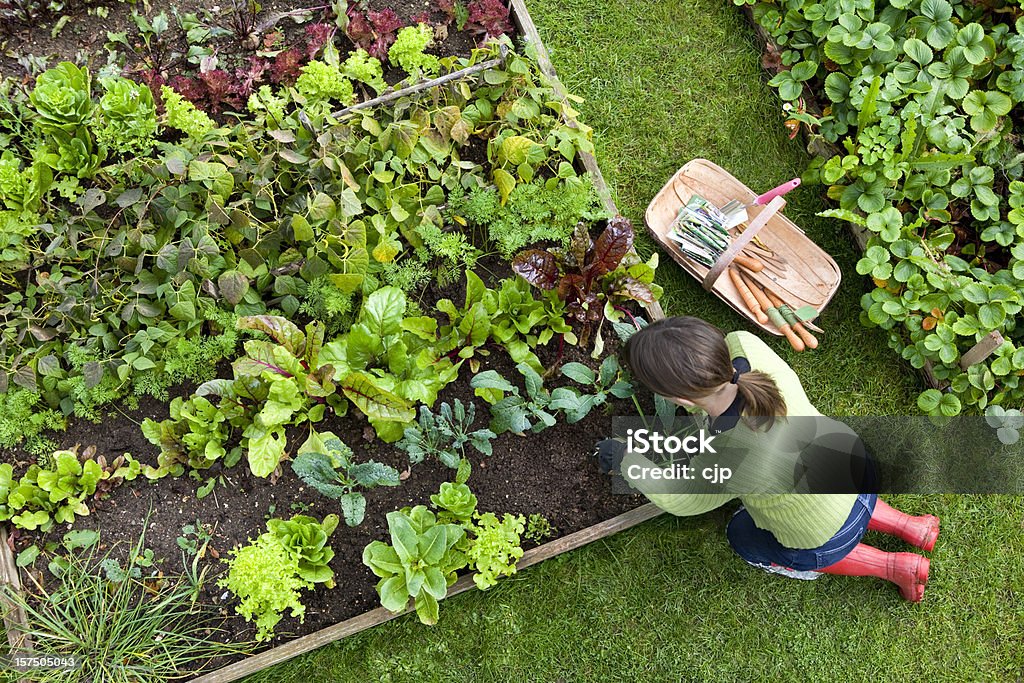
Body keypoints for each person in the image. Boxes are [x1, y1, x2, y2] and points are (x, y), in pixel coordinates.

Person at [618, 316, 939, 602]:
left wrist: (625, 459)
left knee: (741, 535)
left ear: (679, 400)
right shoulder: (748, 347)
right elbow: (733, 343)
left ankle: (894, 566)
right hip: (858, 473)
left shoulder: (729, 455)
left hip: (824, 535)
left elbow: (683, 498)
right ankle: (910, 526)